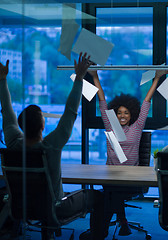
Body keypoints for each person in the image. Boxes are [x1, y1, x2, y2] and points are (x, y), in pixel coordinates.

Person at [0, 53, 105, 240]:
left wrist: (2, 80)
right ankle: (96, 236)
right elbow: (71, 112)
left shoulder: (13, 143)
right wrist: (80, 77)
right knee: (98, 197)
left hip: (20, 207)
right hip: (56, 209)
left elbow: (7, 112)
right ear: (42, 126)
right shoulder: (51, 146)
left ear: (20, 125)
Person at [80, 69, 168, 239]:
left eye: (126, 113)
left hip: (131, 178)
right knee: (110, 193)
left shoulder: (136, 128)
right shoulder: (110, 126)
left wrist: (157, 78)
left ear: (132, 115)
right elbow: (102, 101)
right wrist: (94, 76)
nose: (122, 116)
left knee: (107, 198)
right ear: (115, 114)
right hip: (111, 176)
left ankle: (101, 232)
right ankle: (121, 222)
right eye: (119, 112)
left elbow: (146, 103)